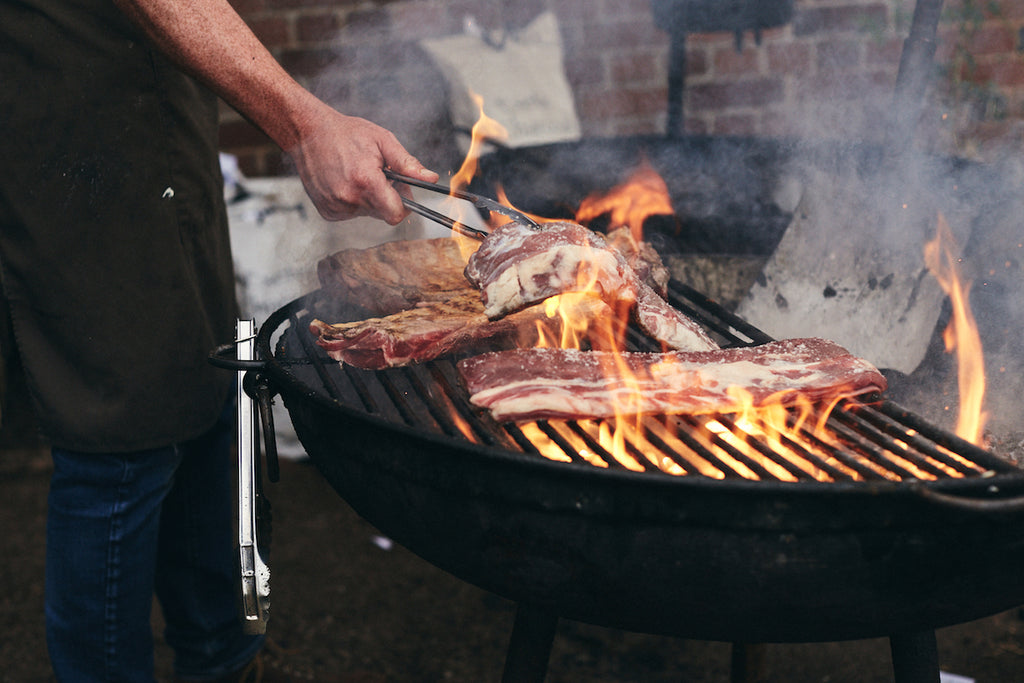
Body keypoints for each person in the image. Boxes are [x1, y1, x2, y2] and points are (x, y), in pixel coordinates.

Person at [0, 0, 437, 679]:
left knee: (206, 378)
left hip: (159, 119)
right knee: (117, 425)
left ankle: (222, 659)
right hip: (74, 126)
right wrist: (306, 124)